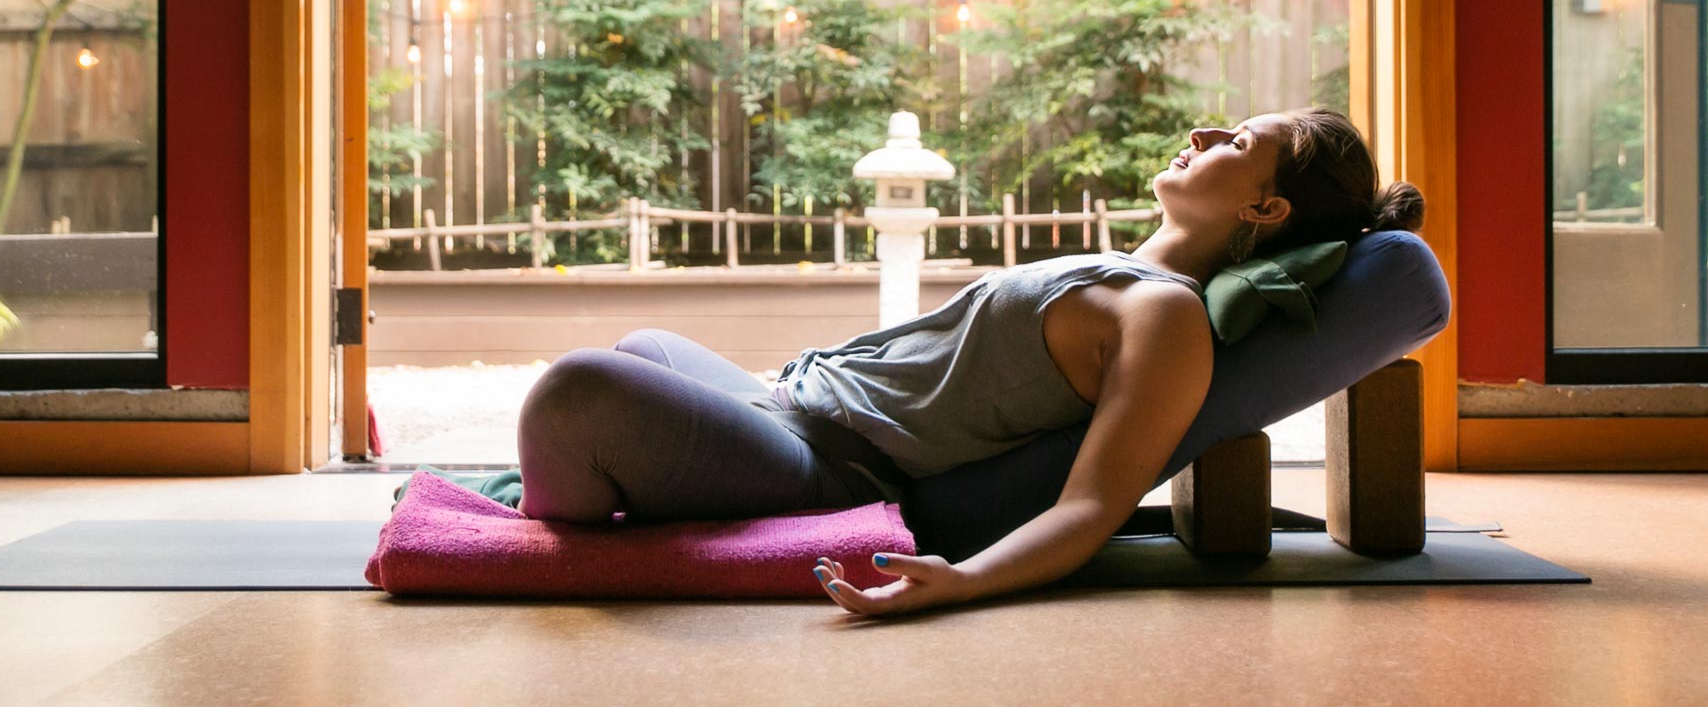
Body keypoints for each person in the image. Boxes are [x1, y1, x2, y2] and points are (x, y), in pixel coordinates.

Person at [513, 106, 1426, 616]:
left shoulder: (1166, 317)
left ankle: (539, 535)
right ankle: (589, 500)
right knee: (642, 351)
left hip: (830, 466)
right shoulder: (1121, 269)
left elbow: (1092, 503)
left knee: (576, 392)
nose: (1200, 131)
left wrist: (966, 580)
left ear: (1266, 212)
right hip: (786, 401)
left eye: (1234, 143)